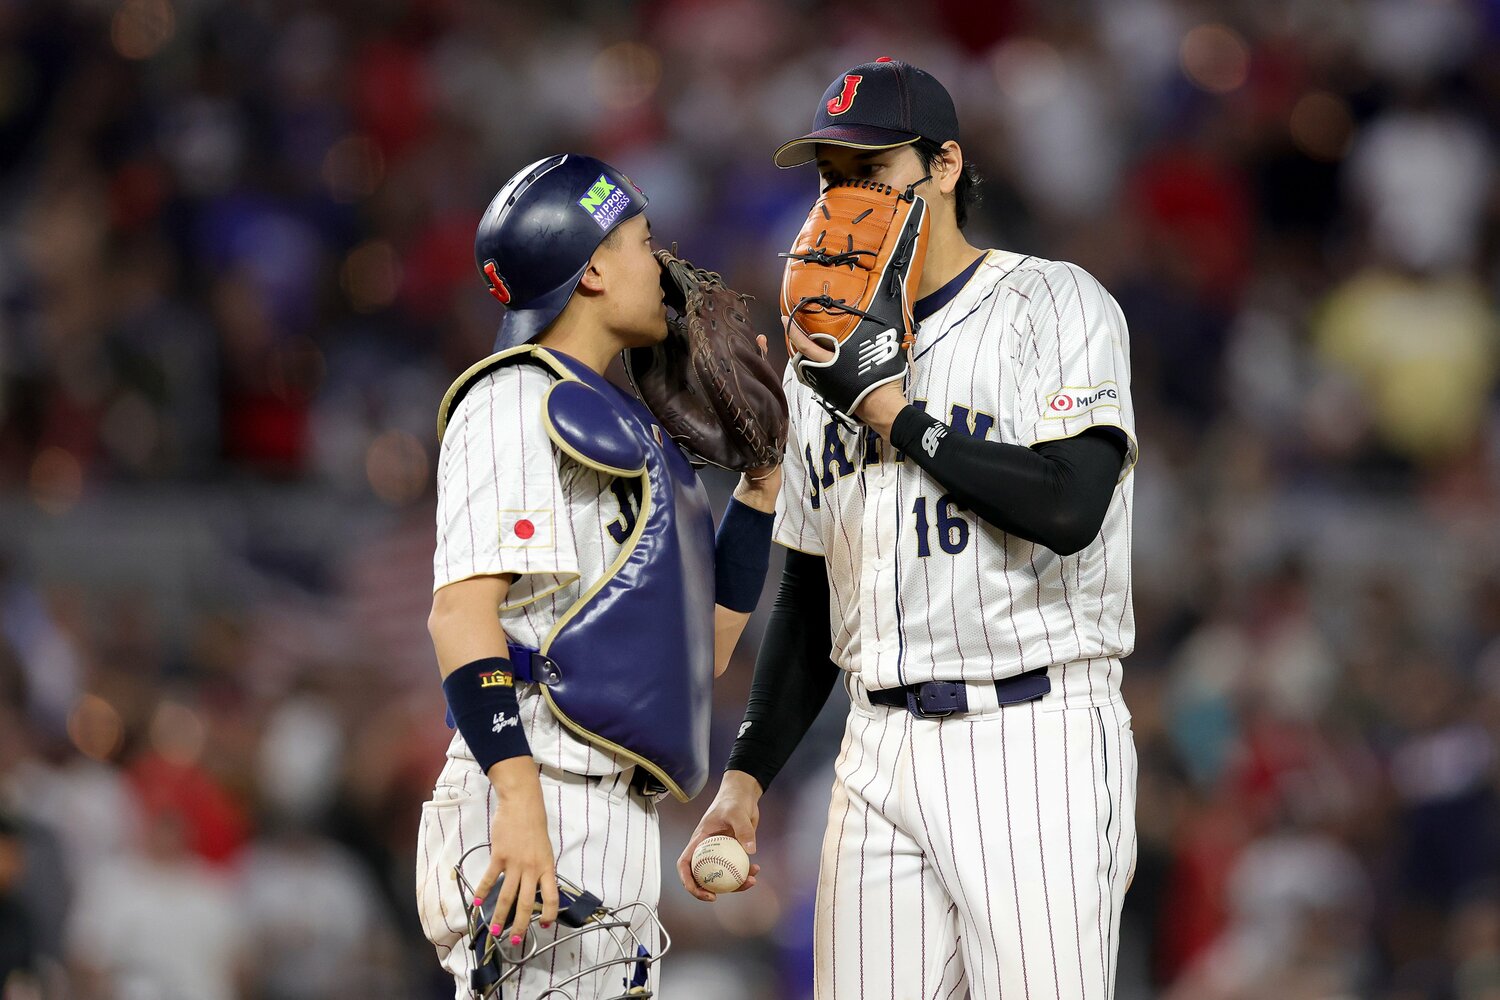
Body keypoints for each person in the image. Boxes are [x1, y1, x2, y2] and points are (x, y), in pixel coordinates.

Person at [680, 58, 1139, 1000]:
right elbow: (808, 591)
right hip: (876, 746)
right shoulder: (819, 357)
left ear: (945, 165)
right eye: (829, 177)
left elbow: (1069, 506)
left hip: (1034, 736)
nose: (847, 199)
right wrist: (747, 778)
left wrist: (894, 413)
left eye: (873, 171)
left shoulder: (1054, 302)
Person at [418, 154, 779, 999]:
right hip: (537, 779)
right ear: (590, 273)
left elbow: (704, 655)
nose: (661, 266)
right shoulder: (513, 399)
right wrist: (516, 800)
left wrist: (761, 493)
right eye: (643, 242)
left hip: (609, 805)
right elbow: (459, 617)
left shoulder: (631, 431)